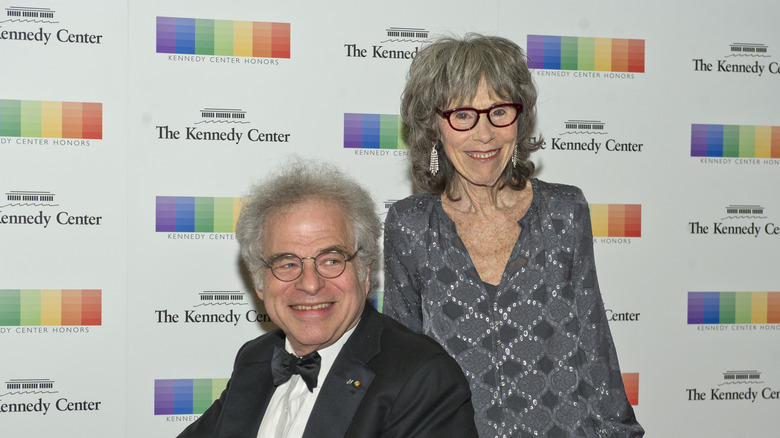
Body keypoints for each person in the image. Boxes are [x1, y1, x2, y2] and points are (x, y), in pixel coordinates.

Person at [383, 34, 644, 437]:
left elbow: (596, 348)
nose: (485, 134)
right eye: (463, 115)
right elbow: (402, 368)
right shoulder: (410, 226)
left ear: (518, 119)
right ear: (434, 127)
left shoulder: (563, 212)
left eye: (499, 111)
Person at [179, 160, 478, 438]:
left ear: (364, 271)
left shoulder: (423, 378)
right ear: (259, 281)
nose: (310, 284)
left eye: (331, 260)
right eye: (287, 263)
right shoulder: (255, 359)